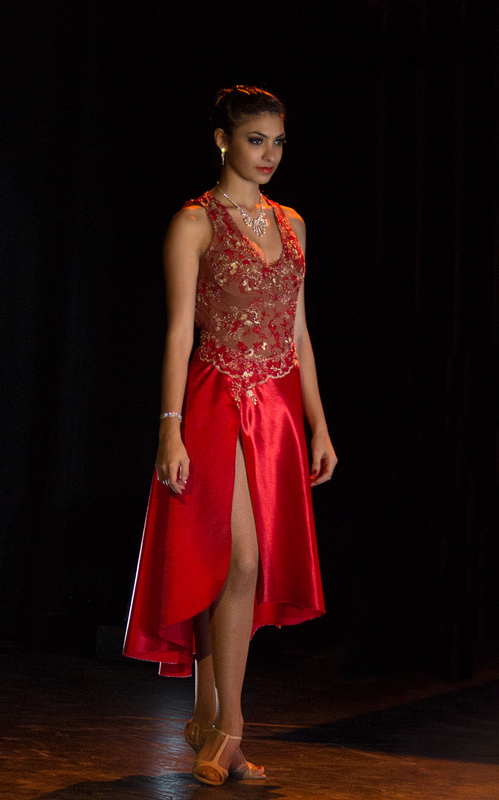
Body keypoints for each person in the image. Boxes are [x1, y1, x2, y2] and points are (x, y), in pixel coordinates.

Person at [123, 85, 337, 786]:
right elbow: (179, 331)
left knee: (237, 569)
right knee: (236, 561)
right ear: (222, 140)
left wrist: (318, 423)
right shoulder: (195, 223)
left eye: (278, 141)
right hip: (217, 402)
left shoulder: (294, 223)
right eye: (255, 140)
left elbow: (299, 332)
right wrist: (169, 429)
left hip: (276, 410)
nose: (269, 153)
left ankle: (209, 717)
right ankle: (231, 734)